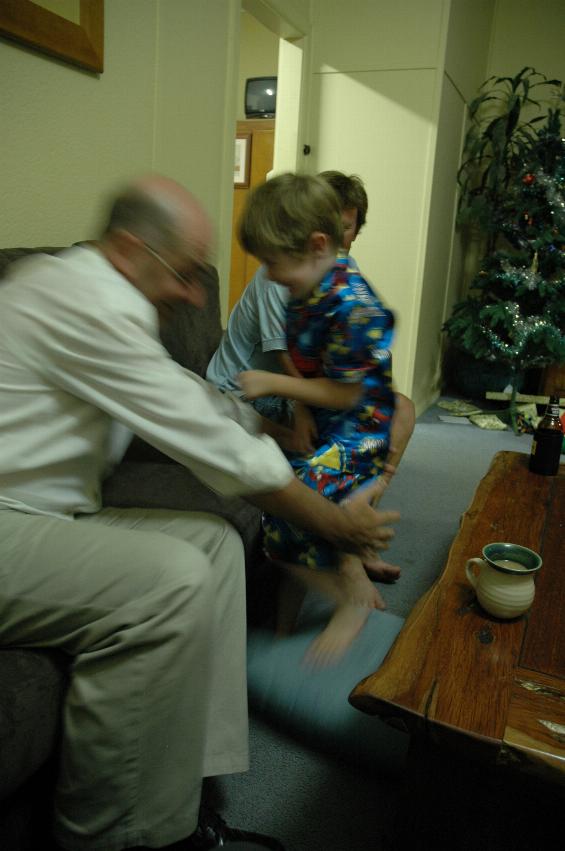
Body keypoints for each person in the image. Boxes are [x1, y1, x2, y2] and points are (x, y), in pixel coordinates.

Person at [0, 174, 399, 851]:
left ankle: (180, 800)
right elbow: (204, 437)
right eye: (185, 275)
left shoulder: (100, 291)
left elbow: (188, 395)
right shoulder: (81, 300)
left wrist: (266, 428)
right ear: (130, 249)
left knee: (212, 543)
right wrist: (331, 522)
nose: (194, 294)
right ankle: (111, 837)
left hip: (41, 511)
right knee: (169, 579)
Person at [237, 172, 399, 665]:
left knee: (293, 514)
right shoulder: (304, 288)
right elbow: (308, 365)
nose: (267, 274)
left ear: (317, 245)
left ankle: (352, 598)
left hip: (359, 431)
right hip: (329, 424)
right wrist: (300, 406)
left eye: (272, 261)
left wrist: (275, 385)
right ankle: (286, 630)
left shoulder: (352, 306)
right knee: (285, 524)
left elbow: (348, 392)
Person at [206, 170, 415, 466]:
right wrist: (301, 406)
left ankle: (357, 500)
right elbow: (287, 355)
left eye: (345, 228)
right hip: (243, 390)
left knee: (399, 411)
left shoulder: (341, 280)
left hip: (282, 386)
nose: (337, 238)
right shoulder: (284, 273)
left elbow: (352, 363)